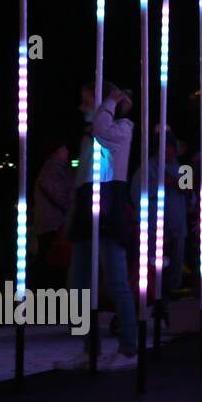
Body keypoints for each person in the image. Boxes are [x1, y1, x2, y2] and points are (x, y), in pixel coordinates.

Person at [65, 81, 138, 366]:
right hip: (86, 207)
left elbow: (102, 130)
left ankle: (129, 348)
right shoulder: (90, 135)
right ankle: (90, 348)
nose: (81, 107)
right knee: (80, 284)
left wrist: (110, 101)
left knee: (116, 280)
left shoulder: (122, 127)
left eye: (86, 101)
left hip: (108, 206)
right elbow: (81, 175)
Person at [130, 128, 190, 299]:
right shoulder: (147, 167)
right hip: (155, 230)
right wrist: (161, 184)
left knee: (175, 268)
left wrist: (188, 192)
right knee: (154, 269)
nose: (170, 150)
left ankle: (171, 302)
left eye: (172, 147)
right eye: (166, 146)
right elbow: (136, 194)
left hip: (178, 228)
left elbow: (191, 199)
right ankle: (153, 301)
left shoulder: (183, 168)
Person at [32, 140, 75, 291]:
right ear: (56, 152)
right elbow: (61, 196)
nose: (67, 152)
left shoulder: (57, 170)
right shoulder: (52, 170)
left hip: (50, 224)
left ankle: (46, 292)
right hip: (52, 225)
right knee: (51, 262)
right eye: (64, 149)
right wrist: (73, 203)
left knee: (50, 261)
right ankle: (47, 294)